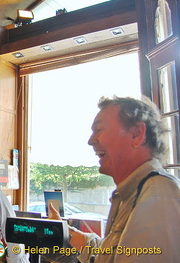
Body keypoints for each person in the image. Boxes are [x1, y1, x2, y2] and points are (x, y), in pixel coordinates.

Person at [47, 96, 180, 263]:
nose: (90, 141)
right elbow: (111, 252)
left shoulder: (158, 199)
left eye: (99, 130)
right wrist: (64, 231)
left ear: (136, 134)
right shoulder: (133, 194)